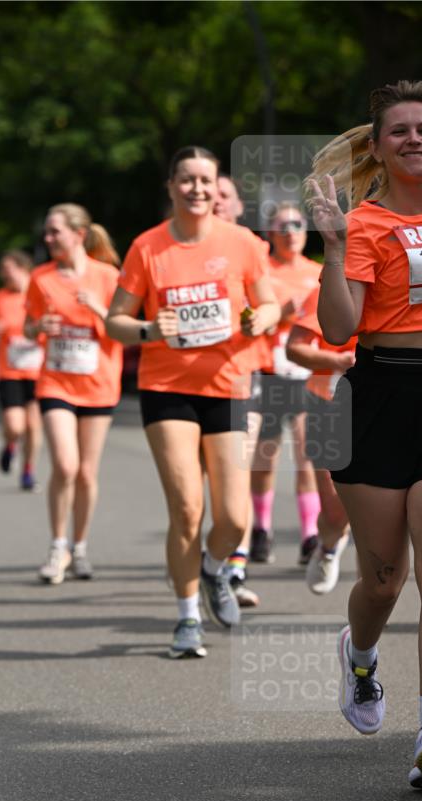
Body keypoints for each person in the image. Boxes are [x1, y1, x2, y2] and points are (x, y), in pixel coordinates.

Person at [107, 147, 279, 658]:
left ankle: (212, 570)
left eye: (205, 180)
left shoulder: (243, 243)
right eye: (187, 180)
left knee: (233, 518)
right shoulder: (147, 247)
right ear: (171, 187)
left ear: (216, 186)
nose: (197, 189)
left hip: (226, 383)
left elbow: (268, 302)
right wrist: (144, 328)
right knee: (187, 507)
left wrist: (261, 320)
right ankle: (186, 618)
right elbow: (114, 320)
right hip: (167, 387)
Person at [307, 79, 422, 789]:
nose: (415, 137)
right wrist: (331, 244)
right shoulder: (366, 224)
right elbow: (339, 328)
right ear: (376, 147)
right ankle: (359, 657)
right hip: (377, 396)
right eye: (400, 130)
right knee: (383, 577)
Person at [24, 203, 122, 584]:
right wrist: (38, 327)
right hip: (56, 381)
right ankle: (57, 545)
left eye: (55, 232)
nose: (48, 239)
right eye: (46, 233)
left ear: (79, 235)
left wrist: (97, 308)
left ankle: (79, 547)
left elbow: (122, 329)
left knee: (85, 472)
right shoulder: (41, 278)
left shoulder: (108, 276)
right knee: (65, 465)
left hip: (99, 385)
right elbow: (27, 328)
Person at [210, 174, 271, 607]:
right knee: (197, 487)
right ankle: (209, 559)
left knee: (238, 471)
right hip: (186, 385)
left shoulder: (252, 248)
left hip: (239, 377)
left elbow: (271, 306)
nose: (213, 200)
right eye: (208, 194)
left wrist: (261, 318)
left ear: (237, 207)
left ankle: (235, 566)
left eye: (223, 195)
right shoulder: (178, 248)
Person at [250, 203, 322, 566]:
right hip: (270, 371)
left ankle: (310, 535)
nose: (291, 231)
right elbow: (250, 320)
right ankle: (261, 529)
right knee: (266, 456)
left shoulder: (318, 272)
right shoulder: (261, 271)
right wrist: (283, 312)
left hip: (309, 373)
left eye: (297, 224)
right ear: (270, 233)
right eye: (283, 226)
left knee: (309, 454)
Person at [286, 286, 355, 594]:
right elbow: (295, 348)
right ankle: (328, 546)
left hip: (388, 405)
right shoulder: (328, 290)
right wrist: (336, 360)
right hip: (328, 403)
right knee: (336, 509)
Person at [0, 250, 43, 491]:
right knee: (15, 425)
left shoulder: (40, 294)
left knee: (33, 425)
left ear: (22, 268)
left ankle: (28, 470)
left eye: (7, 268)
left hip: (38, 371)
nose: (3, 274)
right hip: (9, 370)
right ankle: (10, 444)